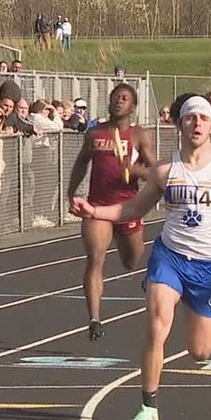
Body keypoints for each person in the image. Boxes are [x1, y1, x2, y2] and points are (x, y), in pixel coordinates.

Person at [70, 93, 211, 420]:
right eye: (190, 118)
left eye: (203, 118)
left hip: (208, 267)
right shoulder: (165, 170)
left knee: (200, 351)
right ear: (179, 125)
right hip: (170, 257)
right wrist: (95, 211)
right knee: (157, 323)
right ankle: (148, 405)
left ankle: (196, 320)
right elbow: (133, 208)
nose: (197, 124)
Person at [68, 83, 157, 341]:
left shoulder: (139, 135)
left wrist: (132, 168)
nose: (119, 100)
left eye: (125, 98)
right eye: (115, 96)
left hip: (128, 207)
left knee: (132, 262)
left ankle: (140, 265)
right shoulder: (95, 133)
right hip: (97, 207)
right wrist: (71, 193)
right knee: (95, 257)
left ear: (133, 106)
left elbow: (156, 172)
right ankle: (94, 318)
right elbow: (82, 162)